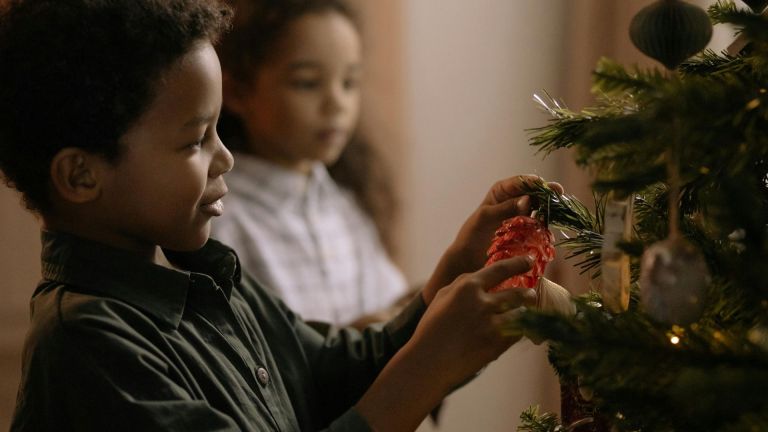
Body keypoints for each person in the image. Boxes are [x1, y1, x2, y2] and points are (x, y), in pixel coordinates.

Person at [1, 1, 566, 431]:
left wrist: (454, 271)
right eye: (196, 140)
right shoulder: (86, 345)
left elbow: (336, 375)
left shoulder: (207, 278)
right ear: (80, 176)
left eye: (217, 129)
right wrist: (424, 374)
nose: (225, 157)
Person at [211, 0, 410, 327]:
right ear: (237, 92)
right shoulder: (221, 220)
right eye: (307, 82)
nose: (337, 104)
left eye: (349, 83)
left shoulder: (344, 208)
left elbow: (391, 306)